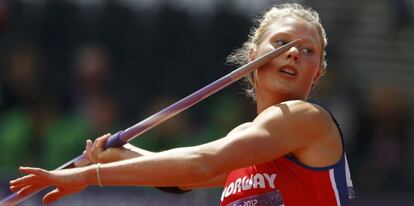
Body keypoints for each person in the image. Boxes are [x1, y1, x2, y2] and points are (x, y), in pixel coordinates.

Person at [9, 3, 355, 206]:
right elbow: (181, 179)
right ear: (253, 57)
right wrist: (126, 157)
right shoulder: (248, 142)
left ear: (317, 76)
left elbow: (202, 165)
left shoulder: (306, 119)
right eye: (282, 43)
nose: (294, 52)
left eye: (308, 51)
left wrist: (91, 174)